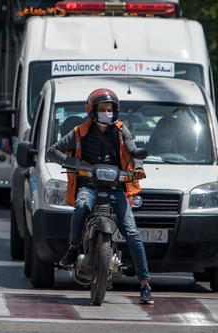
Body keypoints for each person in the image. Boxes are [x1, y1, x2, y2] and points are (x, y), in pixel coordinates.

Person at [46, 88, 154, 305]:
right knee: (81, 207)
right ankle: (73, 248)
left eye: (110, 109)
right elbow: (52, 151)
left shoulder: (122, 130)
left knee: (132, 234)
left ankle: (145, 285)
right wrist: (74, 163)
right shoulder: (78, 132)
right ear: (92, 111)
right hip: (89, 187)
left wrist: (139, 165)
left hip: (116, 188)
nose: (107, 113)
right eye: (103, 109)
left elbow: (133, 152)